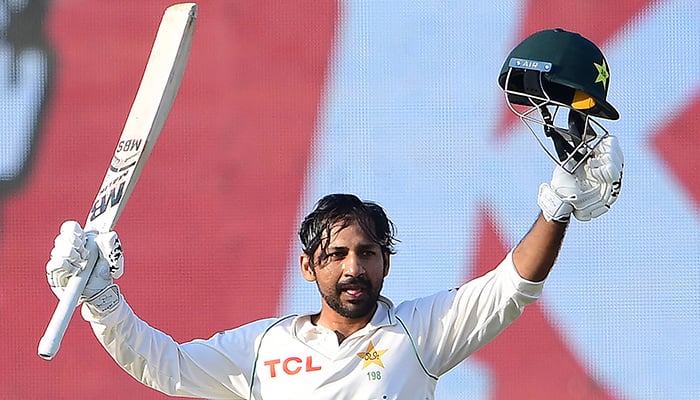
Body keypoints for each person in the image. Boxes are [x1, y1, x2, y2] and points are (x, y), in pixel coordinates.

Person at [45, 28, 624, 399]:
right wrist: (102, 300)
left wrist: (557, 203)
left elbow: (511, 287)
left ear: (385, 263)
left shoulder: (417, 335)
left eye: (367, 253)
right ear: (308, 268)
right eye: (337, 254)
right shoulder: (263, 350)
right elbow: (162, 366)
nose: (353, 267)